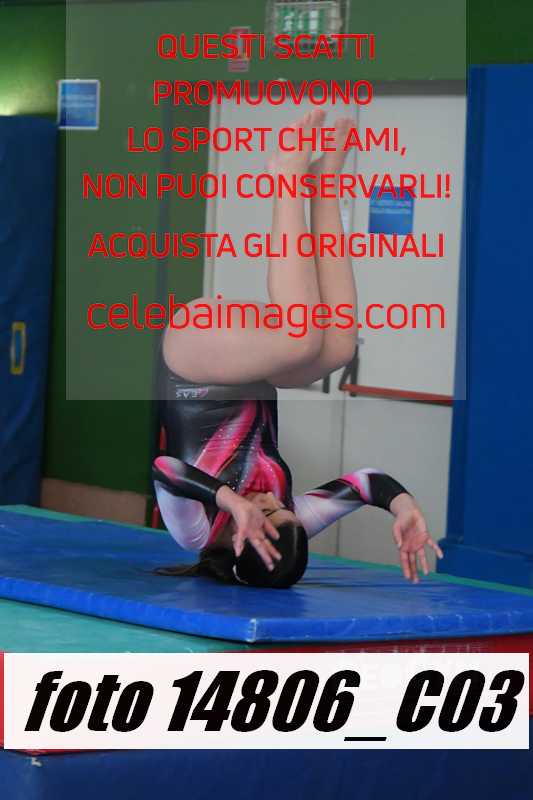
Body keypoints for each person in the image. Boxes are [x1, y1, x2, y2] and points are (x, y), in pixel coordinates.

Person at [153, 109, 443, 588]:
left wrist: (229, 500)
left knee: (300, 336)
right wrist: (404, 505)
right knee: (337, 347)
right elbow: (365, 484)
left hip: (194, 365)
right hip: (248, 370)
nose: (274, 502)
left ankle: (284, 174)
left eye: (268, 514)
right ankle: (324, 182)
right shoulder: (291, 518)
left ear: (244, 541)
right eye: (285, 511)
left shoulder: (196, 531)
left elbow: (166, 468)